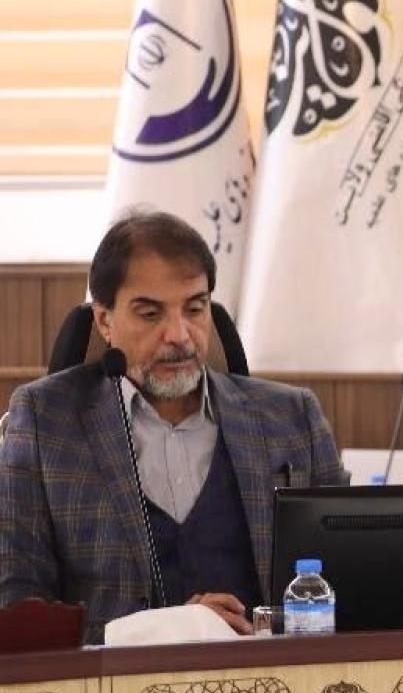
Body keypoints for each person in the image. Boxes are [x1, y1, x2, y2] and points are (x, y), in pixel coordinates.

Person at [0, 209, 346, 640]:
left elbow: (349, 581)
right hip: (113, 681)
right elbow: (17, 609)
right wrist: (167, 627)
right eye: (151, 314)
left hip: (269, 676)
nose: (179, 335)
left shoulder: (291, 418)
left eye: (195, 309)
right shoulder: (45, 422)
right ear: (105, 321)